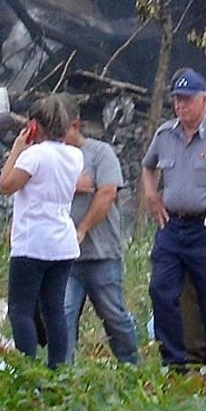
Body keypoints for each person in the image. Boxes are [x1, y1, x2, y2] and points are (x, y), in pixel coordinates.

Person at [141, 67, 206, 369]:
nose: (181, 106)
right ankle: (173, 361)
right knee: (160, 289)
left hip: (205, 226)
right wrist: (152, 196)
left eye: (187, 100)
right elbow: (147, 166)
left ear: (204, 100)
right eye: (177, 100)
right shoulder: (166, 134)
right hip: (171, 225)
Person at [0, 96, 84, 368]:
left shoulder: (33, 156)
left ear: (35, 125)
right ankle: (58, 368)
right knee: (53, 309)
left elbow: (7, 184)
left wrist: (17, 149)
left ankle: (27, 369)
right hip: (62, 241)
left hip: (32, 241)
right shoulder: (75, 155)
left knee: (20, 310)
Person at [64, 109, 138, 364]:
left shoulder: (100, 153)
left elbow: (107, 193)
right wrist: (71, 184)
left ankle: (132, 367)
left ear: (75, 124)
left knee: (114, 316)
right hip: (65, 258)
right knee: (64, 314)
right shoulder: (52, 154)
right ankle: (62, 374)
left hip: (101, 253)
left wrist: (83, 228)